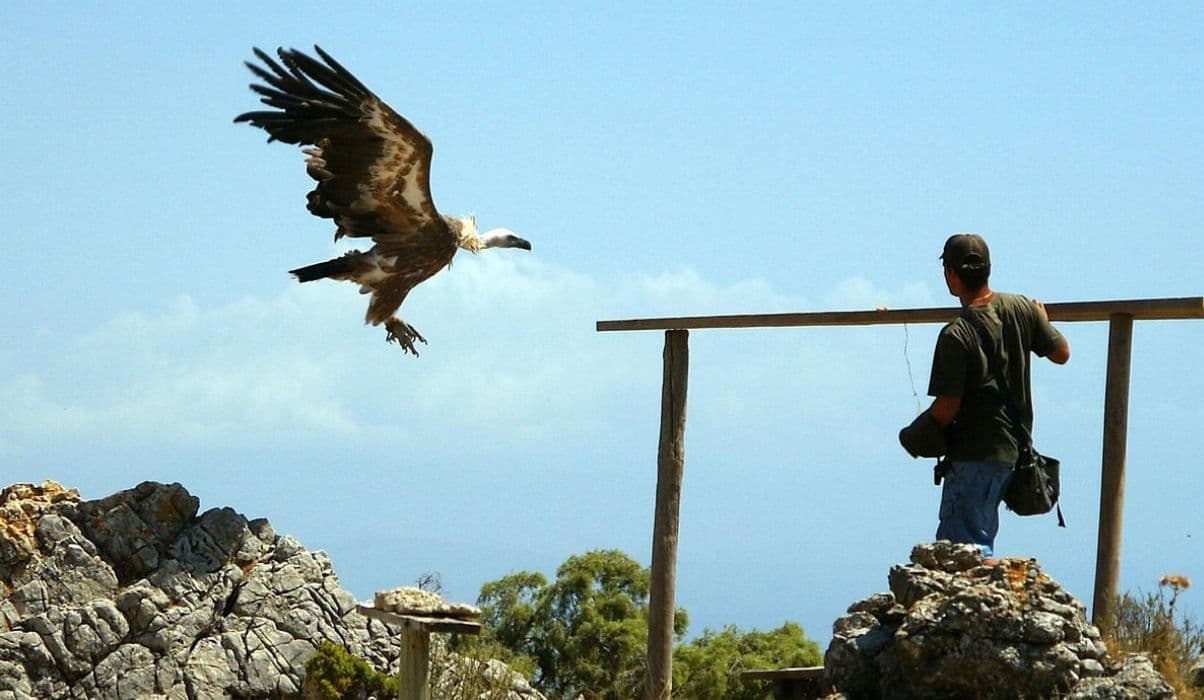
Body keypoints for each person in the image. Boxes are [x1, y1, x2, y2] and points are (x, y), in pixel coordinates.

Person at [923, 233, 1070, 560]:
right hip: (1012, 452)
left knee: (963, 552)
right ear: (988, 270)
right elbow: (1061, 352)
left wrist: (915, 436)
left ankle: (994, 608)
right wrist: (1041, 321)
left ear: (950, 274)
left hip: (973, 454)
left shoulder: (955, 334)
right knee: (976, 539)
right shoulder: (1020, 308)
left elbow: (947, 407)